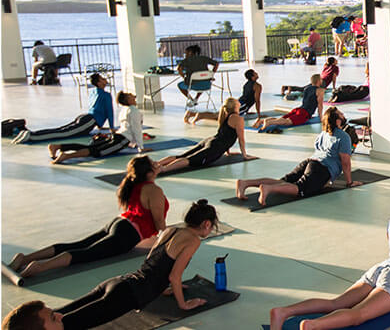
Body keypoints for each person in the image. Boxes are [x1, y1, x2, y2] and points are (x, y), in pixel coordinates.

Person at [269, 188, 390, 330]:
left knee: (336, 303)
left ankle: (283, 312)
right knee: (359, 315)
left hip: (381, 269)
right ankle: (312, 326)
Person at [48, 200, 219, 329]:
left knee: (55, 314)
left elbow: (152, 261)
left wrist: (163, 287)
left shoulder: (170, 230)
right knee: (64, 326)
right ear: (206, 224)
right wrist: (184, 304)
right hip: (129, 294)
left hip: (119, 282)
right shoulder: (193, 240)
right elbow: (174, 276)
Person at [7, 156, 168, 280]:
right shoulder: (154, 190)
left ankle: (25, 258)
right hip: (127, 234)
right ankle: (40, 267)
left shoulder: (133, 183)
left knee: (80, 245)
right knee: (86, 253)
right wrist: (167, 240)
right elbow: (159, 221)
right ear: (148, 173)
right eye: (154, 164)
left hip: (118, 222)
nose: (157, 164)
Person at [236, 108, 358, 205]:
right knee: (300, 188)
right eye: (341, 114)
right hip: (321, 168)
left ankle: (245, 183)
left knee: (282, 181)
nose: (343, 116)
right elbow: (345, 162)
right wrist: (349, 182)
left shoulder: (323, 133)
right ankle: (268, 189)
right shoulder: (343, 136)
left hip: (309, 162)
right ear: (337, 120)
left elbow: (318, 149)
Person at [47, 91, 148, 164]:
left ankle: (58, 146)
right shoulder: (134, 111)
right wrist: (140, 147)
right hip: (122, 139)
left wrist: (133, 144)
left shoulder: (124, 109)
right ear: (128, 100)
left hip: (117, 135)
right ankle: (66, 156)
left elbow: (127, 127)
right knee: (96, 152)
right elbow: (136, 129)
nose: (134, 97)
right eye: (131, 96)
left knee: (90, 147)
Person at [11, 73, 112, 144]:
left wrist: (99, 125)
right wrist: (111, 128)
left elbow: (95, 107)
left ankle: (30, 133)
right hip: (90, 121)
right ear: (99, 83)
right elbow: (109, 112)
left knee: (60, 130)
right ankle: (32, 136)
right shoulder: (106, 95)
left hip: (85, 116)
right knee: (63, 133)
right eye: (102, 78)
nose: (105, 79)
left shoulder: (94, 92)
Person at [158, 98, 251, 172]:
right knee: (189, 160)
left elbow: (226, 134)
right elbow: (241, 139)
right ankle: (164, 169)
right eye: (237, 102)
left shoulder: (224, 114)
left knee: (182, 156)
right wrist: (244, 155)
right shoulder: (238, 119)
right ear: (235, 106)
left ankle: (156, 164)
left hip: (211, 140)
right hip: (215, 146)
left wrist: (228, 152)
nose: (239, 102)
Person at [255, 74, 324, 132]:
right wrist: (320, 117)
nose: (322, 80)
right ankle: (269, 122)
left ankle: (262, 121)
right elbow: (320, 105)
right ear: (318, 81)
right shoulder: (320, 90)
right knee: (287, 122)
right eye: (321, 79)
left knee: (282, 119)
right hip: (304, 113)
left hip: (298, 109)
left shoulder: (307, 88)